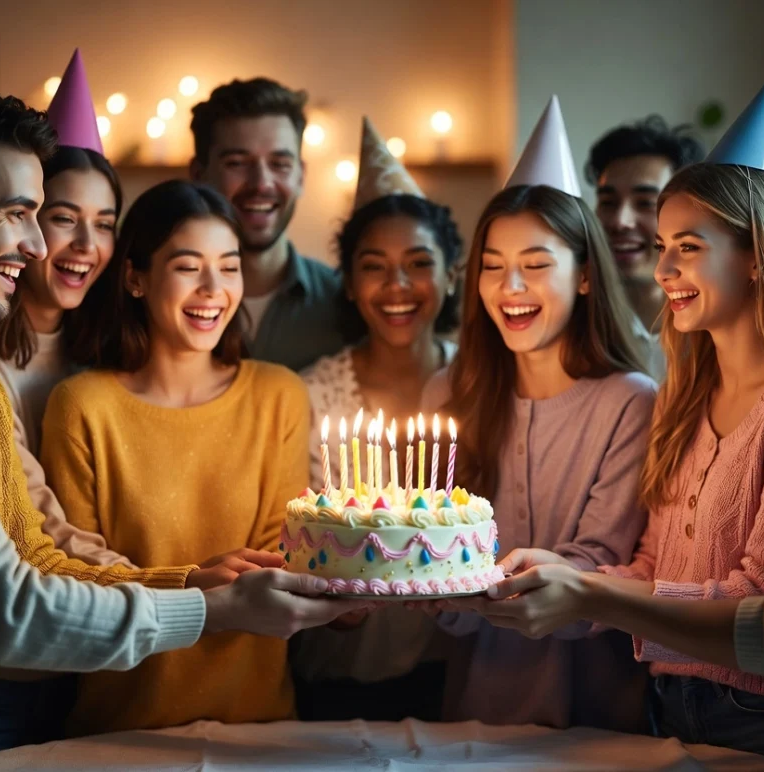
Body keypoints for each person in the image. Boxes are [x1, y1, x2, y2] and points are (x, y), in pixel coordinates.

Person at [0, 7, 364, 769]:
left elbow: (39, 552)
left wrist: (191, 577)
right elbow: (6, 609)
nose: (39, 246)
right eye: (20, 215)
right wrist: (211, 607)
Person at [458, 90, 764, 771]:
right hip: (667, 701)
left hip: (761, 717)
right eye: (662, 248)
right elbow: (657, 567)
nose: (661, 272)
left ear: (755, 253)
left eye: (686, 248)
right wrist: (566, 577)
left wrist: (591, 591)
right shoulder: (687, 393)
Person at [40, 179, 312, 735]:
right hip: (120, 729)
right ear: (136, 278)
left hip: (258, 728)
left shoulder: (278, 395)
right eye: (189, 266)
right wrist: (194, 583)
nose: (214, 288)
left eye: (229, 266)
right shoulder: (82, 406)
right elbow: (77, 574)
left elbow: (284, 554)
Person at [425, 97, 657, 731]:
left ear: (585, 275)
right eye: (493, 268)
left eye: (536, 266)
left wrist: (476, 578)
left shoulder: (629, 401)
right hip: (473, 707)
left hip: (594, 712)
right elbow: (429, 555)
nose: (511, 288)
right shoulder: (449, 393)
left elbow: (599, 563)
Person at [0, 49, 155, 753]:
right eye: (64, 218)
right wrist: (186, 595)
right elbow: (33, 526)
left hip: (102, 656)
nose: (85, 244)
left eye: (105, 224)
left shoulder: (112, 359)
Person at [291, 118, 462, 721]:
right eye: (373, 265)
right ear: (348, 283)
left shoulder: (485, 382)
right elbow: (296, 537)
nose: (397, 285)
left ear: (450, 274)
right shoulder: (312, 392)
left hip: (463, 671)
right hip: (340, 674)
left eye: (419, 263)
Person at [190, 77, 357, 370]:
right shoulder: (162, 304)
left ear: (301, 176)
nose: (261, 183)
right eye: (237, 163)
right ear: (198, 174)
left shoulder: (348, 303)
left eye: (280, 164)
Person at [586, 115, 704, 340]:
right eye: (608, 203)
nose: (621, 221)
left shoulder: (712, 334)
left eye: (646, 203)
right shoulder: (575, 326)